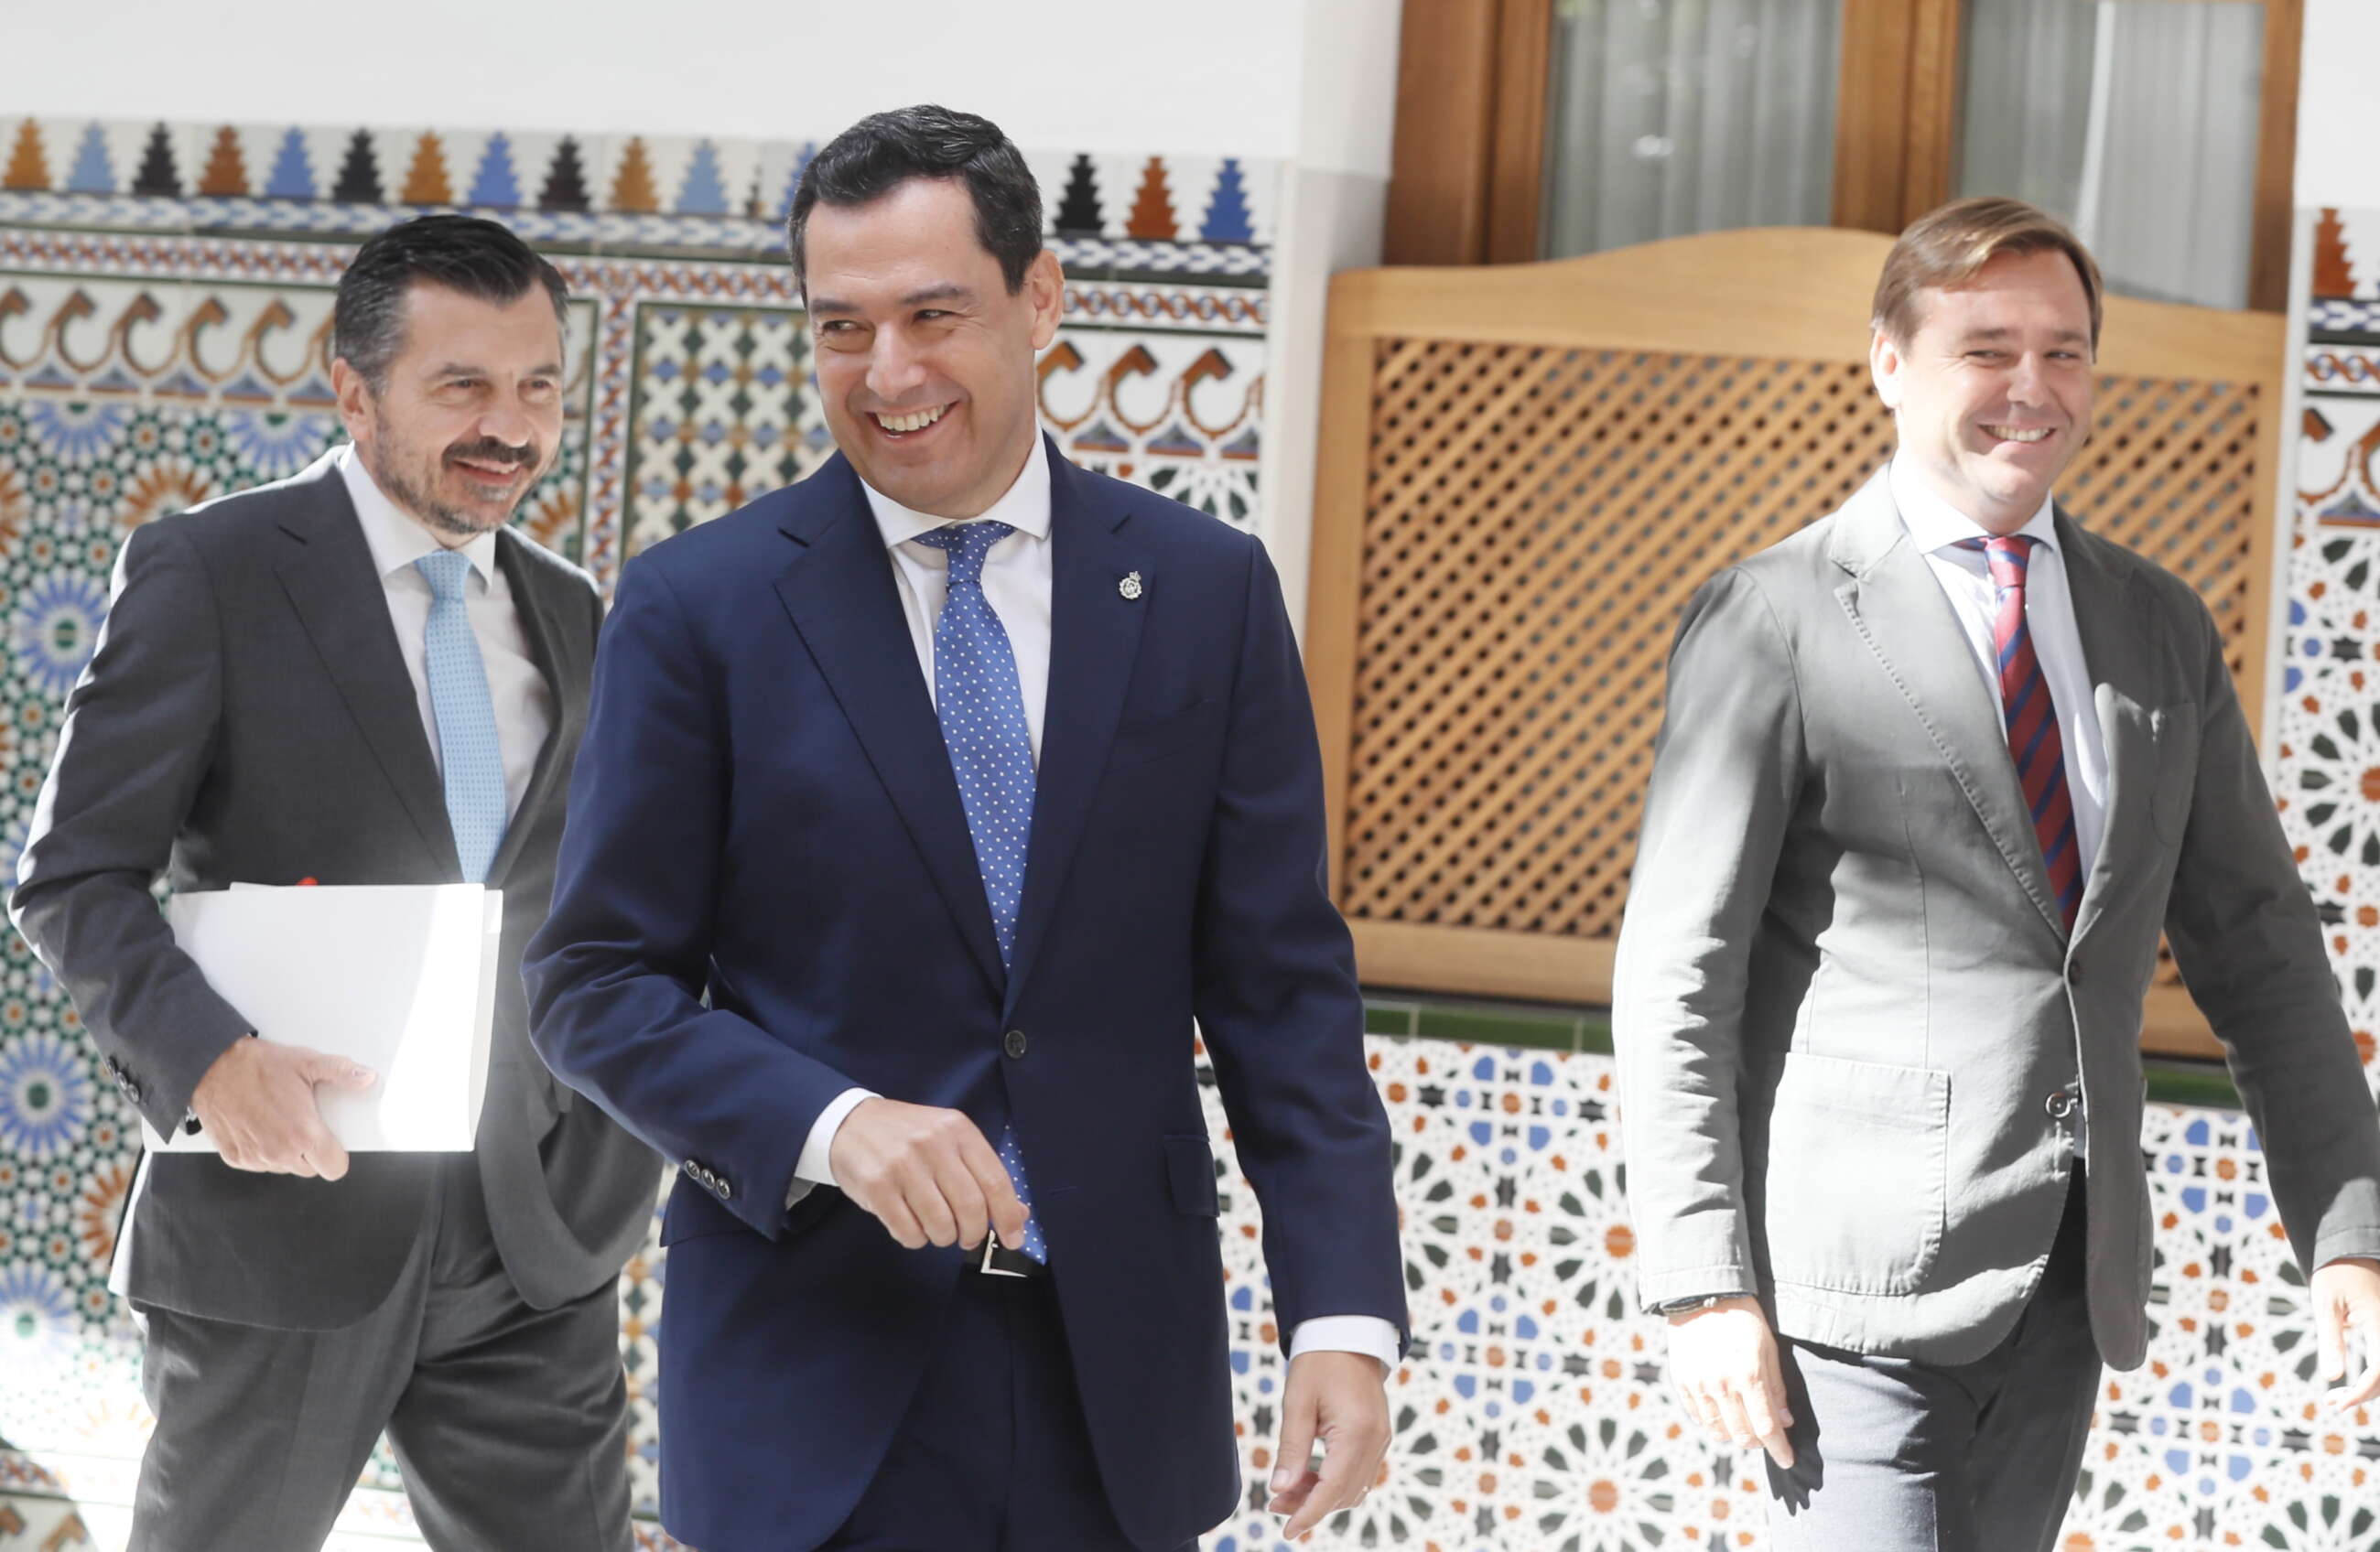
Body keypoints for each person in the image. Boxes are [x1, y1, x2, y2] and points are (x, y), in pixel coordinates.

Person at [524, 103, 1407, 1552]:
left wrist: (1347, 1313)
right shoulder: (701, 609)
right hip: (809, 1393)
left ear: (1041, 298)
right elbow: (592, 985)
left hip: (1114, 1394)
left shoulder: (1206, 591)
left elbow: (1281, 993)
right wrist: (830, 1124)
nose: (890, 374)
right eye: (841, 328)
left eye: (935, 314)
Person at [1612, 196, 2380, 1549]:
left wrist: (2349, 1223)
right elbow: (1681, 970)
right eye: (1987, 349)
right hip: (1844, 1299)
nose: (2034, 388)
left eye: (2067, 350)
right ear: (1890, 363)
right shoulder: (1775, 617)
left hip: (2066, 1287)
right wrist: (1700, 1283)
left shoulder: (2158, 626)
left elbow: (2257, 945)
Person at [11, 214, 659, 1552]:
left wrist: (616, 1157)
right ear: (353, 388)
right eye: (463, 387)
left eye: (538, 385)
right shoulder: (215, 570)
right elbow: (72, 878)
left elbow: (605, 904)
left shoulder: (572, 609)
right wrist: (210, 1066)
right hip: (281, 1220)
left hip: (531, 1237)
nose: (513, 427)